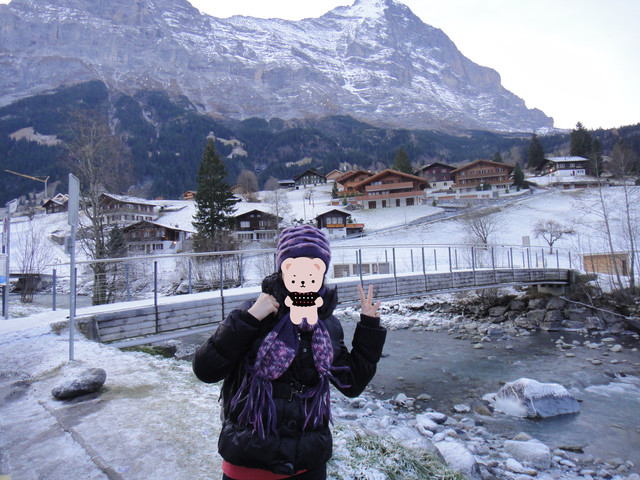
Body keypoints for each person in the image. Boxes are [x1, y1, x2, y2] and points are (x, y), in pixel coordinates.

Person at [192, 225, 387, 480]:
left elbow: (352, 383)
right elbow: (205, 370)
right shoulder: (254, 312)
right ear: (283, 268)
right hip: (247, 461)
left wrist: (369, 328)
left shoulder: (326, 324)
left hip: (306, 464)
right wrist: (248, 319)